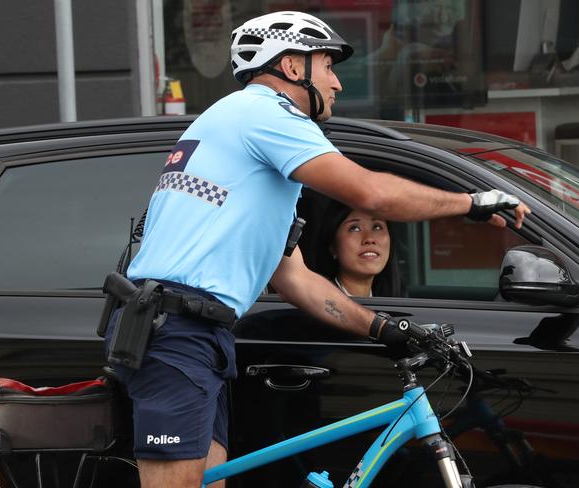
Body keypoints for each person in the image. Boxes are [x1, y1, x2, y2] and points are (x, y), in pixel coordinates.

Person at [104, 10, 531, 488]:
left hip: (198, 333)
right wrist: (470, 203)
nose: (338, 84)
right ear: (291, 67)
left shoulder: (247, 144)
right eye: (328, 66)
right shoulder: (262, 112)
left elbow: (296, 278)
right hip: (177, 330)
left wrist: (383, 329)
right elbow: (370, 192)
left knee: (208, 482)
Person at [316, 200, 397, 298]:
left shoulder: (399, 304)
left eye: (377, 227)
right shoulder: (319, 301)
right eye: (354, 228)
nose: (369, 239)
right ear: (333, 247)